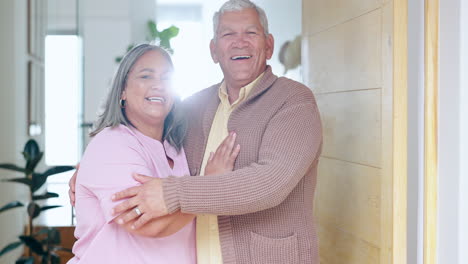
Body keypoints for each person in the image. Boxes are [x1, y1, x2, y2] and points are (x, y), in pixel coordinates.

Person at [70, 0, 322, 263]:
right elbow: (135, 143)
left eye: (251, 32)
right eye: (228, 34)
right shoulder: (191, 109)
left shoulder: (294, 101)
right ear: (214, 50)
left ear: (268, 44)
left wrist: (175, 194)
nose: (240, 42)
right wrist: (86, 170)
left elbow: (270, 183)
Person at [67, 44, 239, 263]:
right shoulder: (112, 143)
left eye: (167, 78)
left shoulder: (177, 148)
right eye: (146, 76)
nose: (159, 85)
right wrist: (209, 185)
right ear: (122, 90)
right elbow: (148, 223)